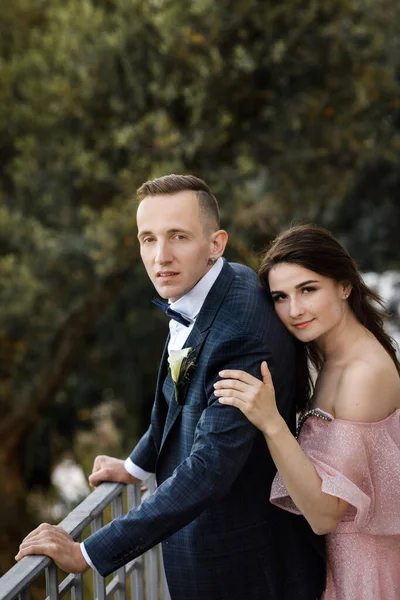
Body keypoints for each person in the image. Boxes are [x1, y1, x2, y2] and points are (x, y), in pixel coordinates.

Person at [16, 177, 325, 600]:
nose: (160, 257)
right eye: (148, 239)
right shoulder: (214, 284)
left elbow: (209, 469)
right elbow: (177, 394)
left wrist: (88, 552)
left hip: (243, 566)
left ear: (215, 243)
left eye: (178, 237)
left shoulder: (241, 333)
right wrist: (137, 464)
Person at [214, 224, 400, 600]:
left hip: (363, 577)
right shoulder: (331, 355)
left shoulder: (363, 374)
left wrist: (271, 423)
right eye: (280, 297)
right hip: (332, 566)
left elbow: (324, 515)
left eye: (308, 290)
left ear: (345, 286)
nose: (294, 310)